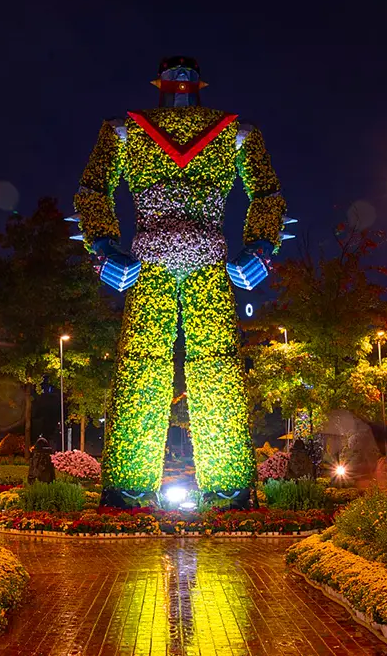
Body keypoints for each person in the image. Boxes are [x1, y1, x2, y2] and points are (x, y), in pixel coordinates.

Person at [72, 56, 290, 508]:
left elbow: (267, 194)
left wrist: (262, 247)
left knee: (208, 365)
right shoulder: (129, 131)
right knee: (155, 364)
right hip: (163, 260)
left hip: (187, 259)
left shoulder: (232, 134)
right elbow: (93, 192)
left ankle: (223, 483)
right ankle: (137, 483)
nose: (181, 87)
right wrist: (103, 248)